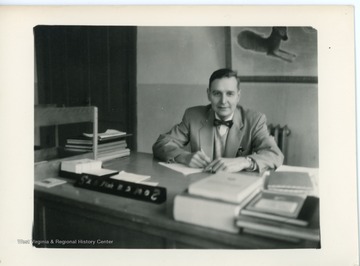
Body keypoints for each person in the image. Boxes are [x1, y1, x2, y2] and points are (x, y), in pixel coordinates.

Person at [152, 68, 284, 174]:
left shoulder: (254, 119)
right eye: (217, 93)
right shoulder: (193, 115)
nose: (223, 101)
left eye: (230, 94)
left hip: (237, 185)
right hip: (201, 183)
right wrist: (184, 157)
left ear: (238, 96)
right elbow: (162, 143)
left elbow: (274, 154)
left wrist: (244, 161)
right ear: (208, 94)